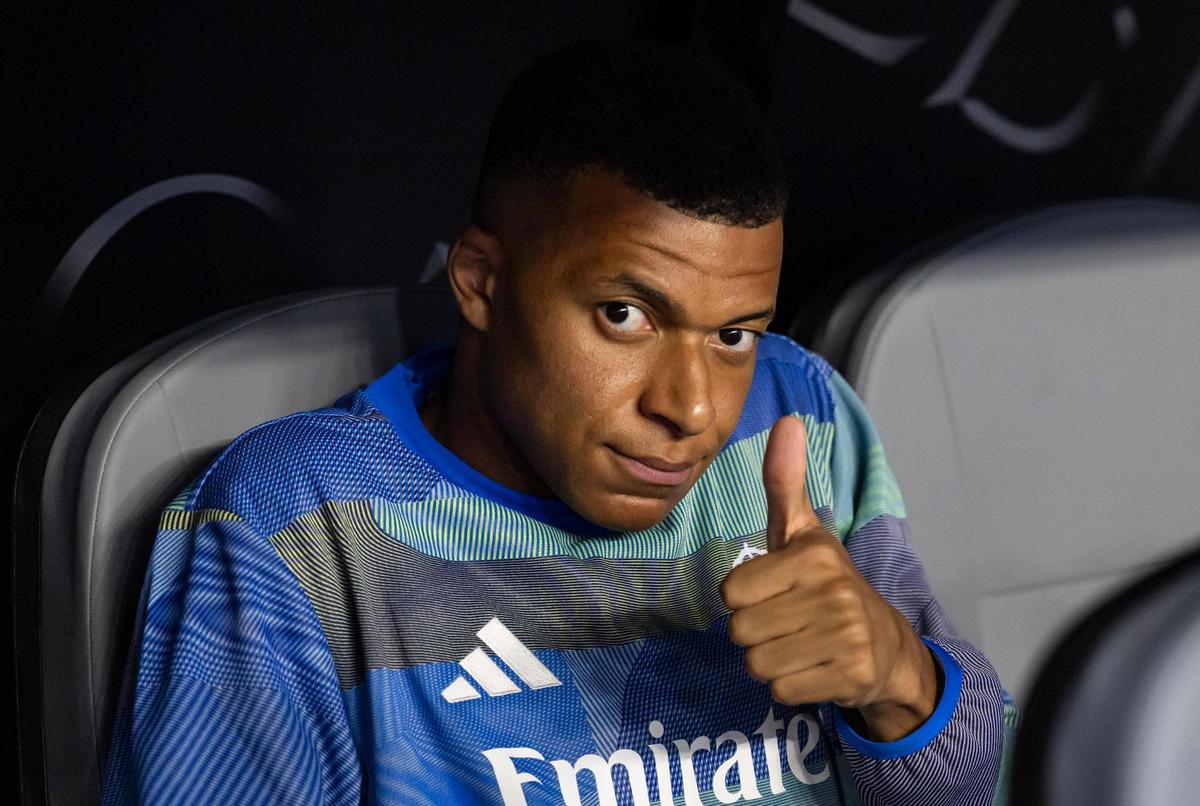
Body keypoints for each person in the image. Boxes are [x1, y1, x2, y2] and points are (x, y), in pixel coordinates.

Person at [103, 37, 1016, 805]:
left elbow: (973, 781)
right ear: (482, 283)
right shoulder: (296, 527)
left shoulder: (796, 418)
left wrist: (900, 680)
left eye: (735, 333)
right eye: (626, 315)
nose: (691, 408)